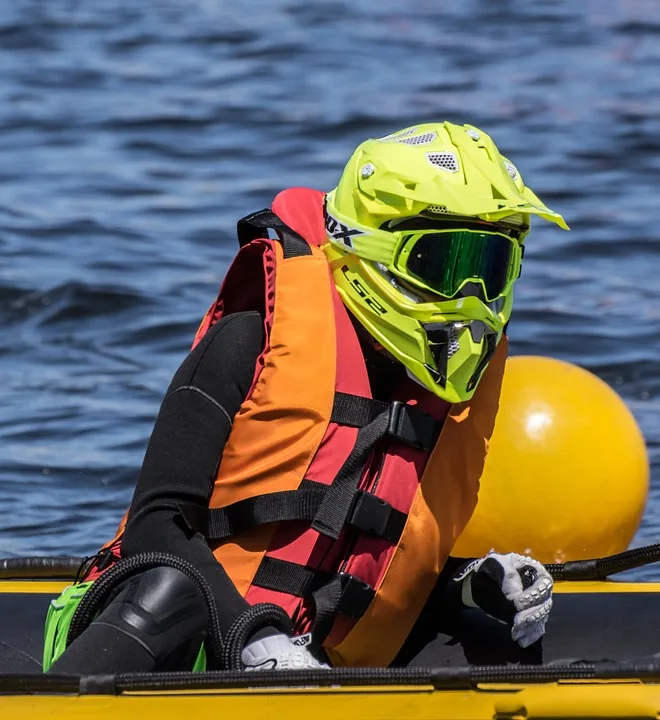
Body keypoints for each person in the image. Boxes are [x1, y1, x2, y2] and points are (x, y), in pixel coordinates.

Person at [44, 121, 568, 674]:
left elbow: (360, 572)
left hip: (307, 661)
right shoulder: (249, 338)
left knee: (498, 643)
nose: (470, 298)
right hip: (154, 635)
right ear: (373, 250)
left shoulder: (444, 400)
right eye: (443, 265)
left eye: (489, 269)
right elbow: (156, 524)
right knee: (170, 591)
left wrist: (467, 587)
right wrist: (258, 641)